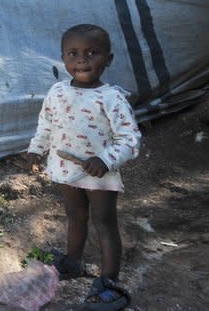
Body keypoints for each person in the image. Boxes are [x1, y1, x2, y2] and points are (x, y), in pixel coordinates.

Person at [26, 24, 140, 311]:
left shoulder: (112, 98)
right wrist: (36, 149)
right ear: (63, 58)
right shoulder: (57, 91)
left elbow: (130, 138)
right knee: (75, 215)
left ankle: (110, 283)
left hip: (100, 175)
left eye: (92, 53)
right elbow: (47, 124)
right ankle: (73, 262)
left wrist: (106, 159)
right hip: (65, 169)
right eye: (73, 53)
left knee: (103, 221)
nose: (82, 60)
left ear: (108, 59)